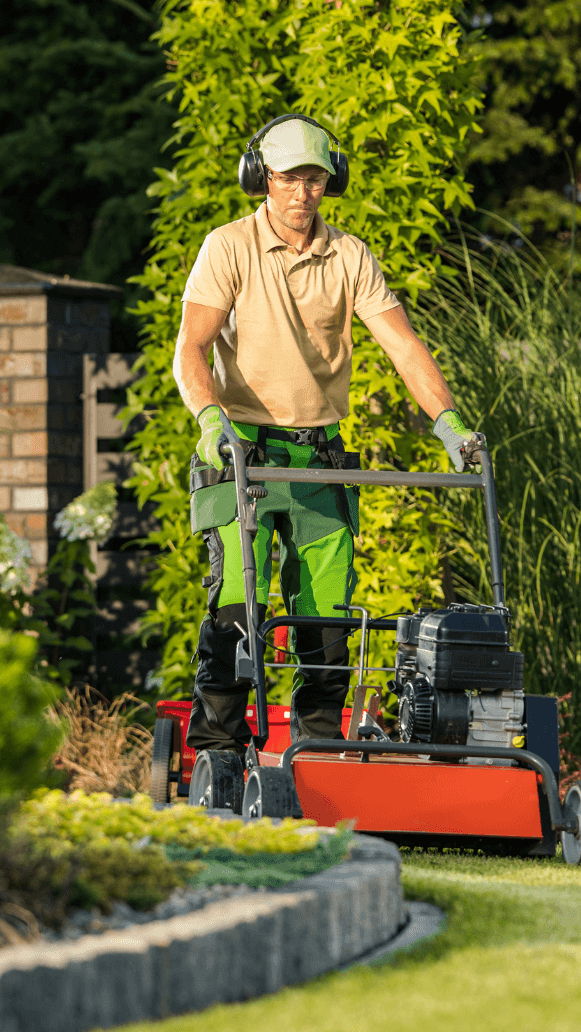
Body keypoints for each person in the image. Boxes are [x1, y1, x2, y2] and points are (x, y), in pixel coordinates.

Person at [173, 113, 480, 780]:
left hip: (318, 453)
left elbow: (402, 346)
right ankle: (221, 754)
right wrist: (208, 419)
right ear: (263, 178)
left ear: (328, 181)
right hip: (239, 448)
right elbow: (190, 349)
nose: (301, 193)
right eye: (288, 178)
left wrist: (449, 423)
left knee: (328, 614)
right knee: (237, 603)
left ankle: (316, 752)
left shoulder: (350, 256)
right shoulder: (227, 247)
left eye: (313, 179)